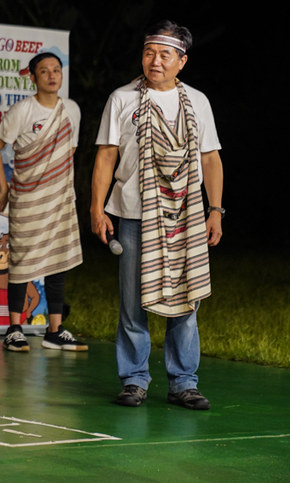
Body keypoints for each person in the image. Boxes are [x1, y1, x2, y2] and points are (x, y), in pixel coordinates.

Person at [90, 21, 223, 411]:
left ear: (182, 61)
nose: (155, 61)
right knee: (133, 302)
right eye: (150, 52)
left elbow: (210, 158)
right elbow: (106, 156)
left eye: (165, 54)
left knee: (185, 298)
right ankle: (134, 379)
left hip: (185, 216)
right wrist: (97, 208)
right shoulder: (122, 98)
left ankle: (184, 381)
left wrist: (215, 210)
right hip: (133, 213)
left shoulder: (197, 101)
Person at [0, 52, 86, 353]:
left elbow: (68, 153)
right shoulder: (22, 111)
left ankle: (54, 330)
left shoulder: (72, 110)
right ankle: (14, 328)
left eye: (56, 70)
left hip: (58, 199)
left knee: (59, 261)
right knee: (22, 263)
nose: (52, 76)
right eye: (44, 71)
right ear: (33, 77)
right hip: (28, 197)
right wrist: (3, 187)